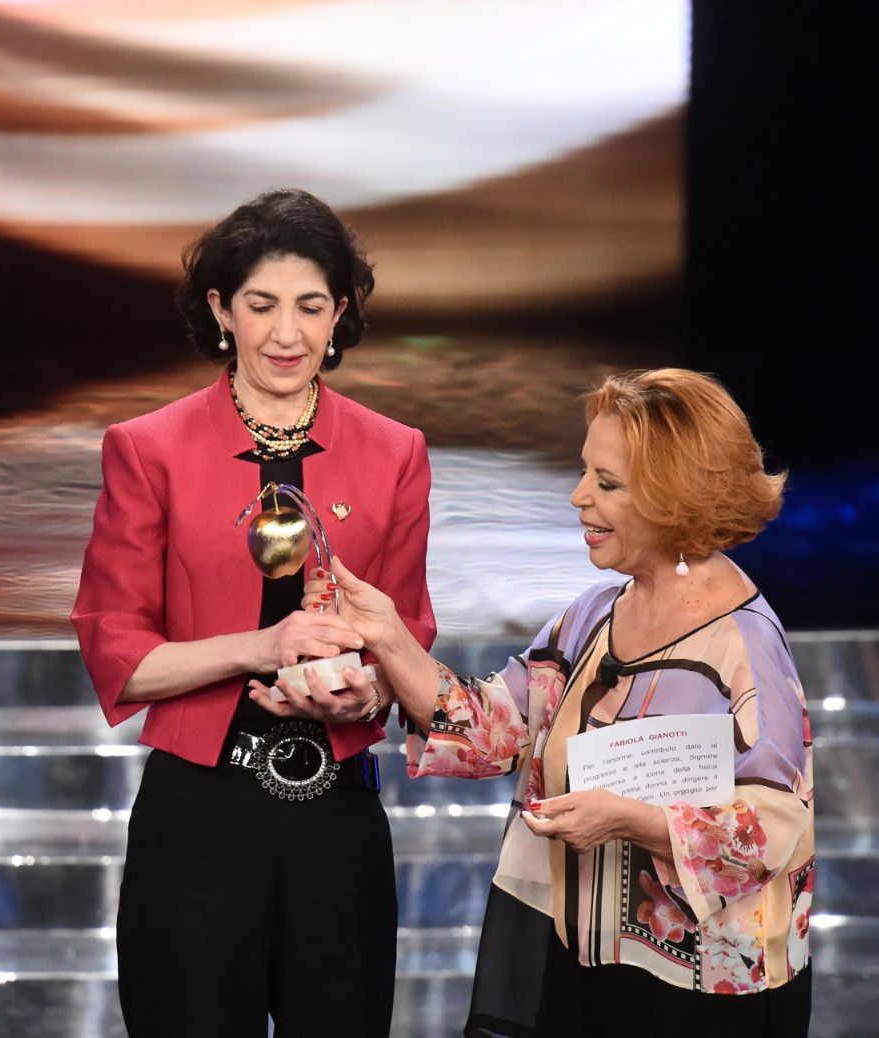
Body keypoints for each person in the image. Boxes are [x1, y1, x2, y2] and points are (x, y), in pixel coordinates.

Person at [296, 369, 813, 1036]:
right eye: (584, 474)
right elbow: (495, 732)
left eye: (606, 483)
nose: (577, 498)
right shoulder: (592, 615)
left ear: (674, 495)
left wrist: (631, 819)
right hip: (579, 967)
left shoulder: (745, 645)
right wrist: (388, 634)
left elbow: (772, 828)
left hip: (696, 996)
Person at [70, 188, 436, 1037]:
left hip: (339, 816)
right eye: (261, 305)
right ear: (219, 310)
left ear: (339, 313)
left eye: (312, 307)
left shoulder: (395, 454)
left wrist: (370, 691)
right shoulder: (148, 449)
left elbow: (409, 634)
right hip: (199, 816)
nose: (286, 333)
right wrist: (262, 646)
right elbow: (119, 654)